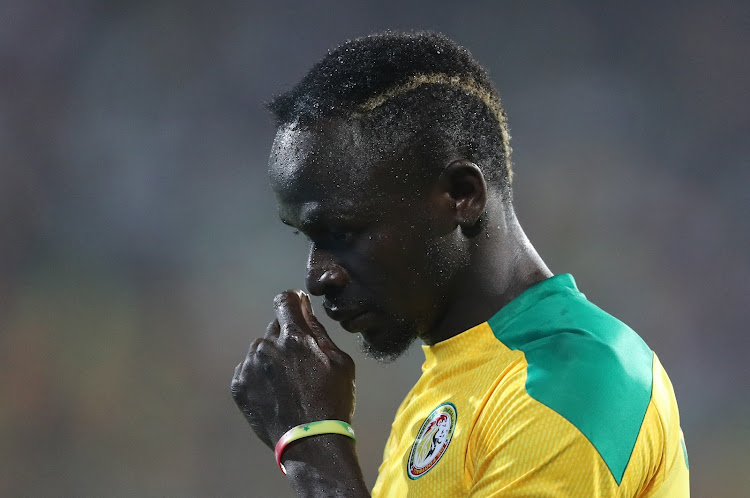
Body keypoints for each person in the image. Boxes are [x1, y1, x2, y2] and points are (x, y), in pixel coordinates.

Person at [230, 31, 689, 497]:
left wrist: (313, 448)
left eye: (341, 234)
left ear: (461, 195)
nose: (318, 275)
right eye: (308, 238)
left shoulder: (571, 384)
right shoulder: (452, 384)